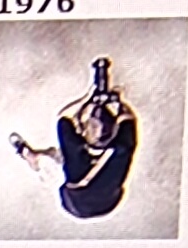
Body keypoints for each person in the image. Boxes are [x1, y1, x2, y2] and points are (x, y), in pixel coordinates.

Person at [13, 56, 141, 219]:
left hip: (78, 203)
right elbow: (129, 118)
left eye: (87, 124)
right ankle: (35, 157)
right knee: (62, 162)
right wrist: (119, 102)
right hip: (109, 203)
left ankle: (32, 157)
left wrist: (88, 96)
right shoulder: (123, 145)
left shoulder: (75, 150)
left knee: (56, 166)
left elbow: (63, 117)